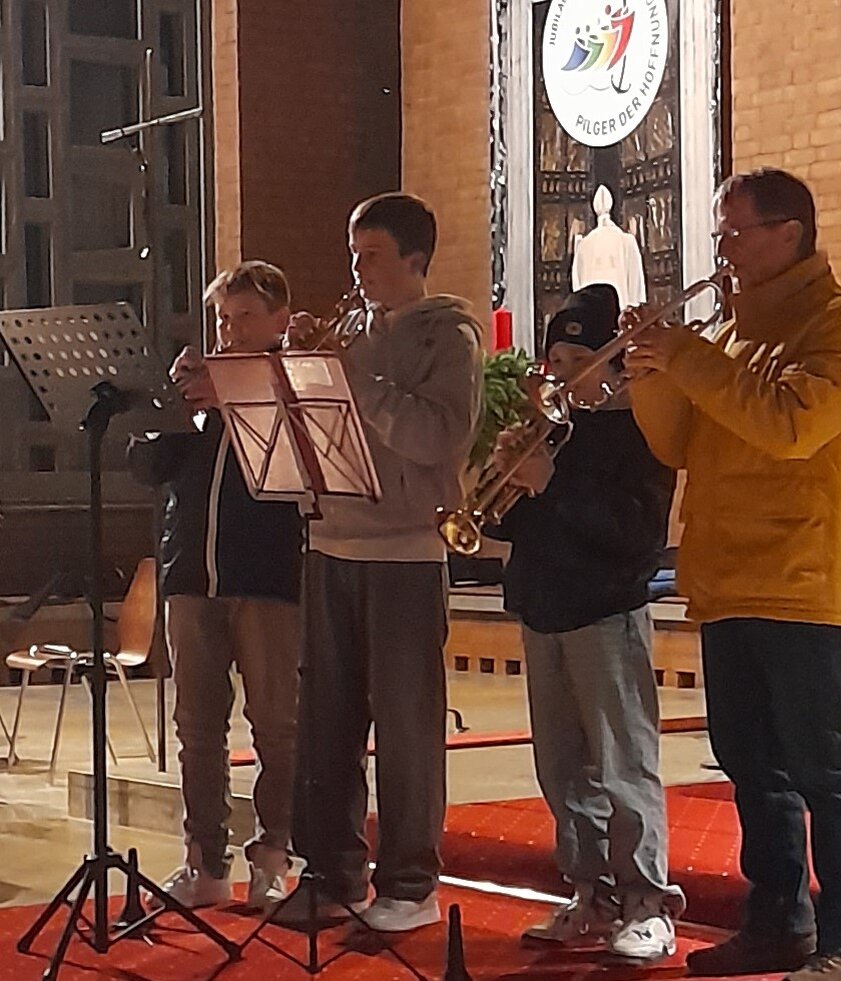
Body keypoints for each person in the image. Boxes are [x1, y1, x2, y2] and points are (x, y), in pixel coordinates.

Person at [624, 168, 841, 981]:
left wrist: (690, 359)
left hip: (802, 572)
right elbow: (679, 444)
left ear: (791, 233)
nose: (724, 251)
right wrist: (650, 374)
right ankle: (778, 920)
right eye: (721, 235)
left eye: (737, 234)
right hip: (729, 573)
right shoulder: (731, 335)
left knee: (820, 763)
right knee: (749, 763)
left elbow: (789, 424)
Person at [285, 192, 483, 931]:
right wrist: (302, 369)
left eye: (370, 255)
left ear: (414, 260)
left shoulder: (450, 336)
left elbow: (437, 435)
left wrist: (354, 377)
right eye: (352, 253)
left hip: (403, 548)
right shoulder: (352, 333)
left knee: (404, 723)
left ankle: (409, 881)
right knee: (327, 720)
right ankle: (331, 869)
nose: (356, 269)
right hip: (330, 537)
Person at [488, 284, 684, 961]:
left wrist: (552, 483)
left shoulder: (641, 428)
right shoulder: (553, 428)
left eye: (578, 359)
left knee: (622, 763)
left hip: (606, 609)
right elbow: (503, 523)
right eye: (557, 359)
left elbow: (635, 533)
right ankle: (588, 890)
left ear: (613, 362)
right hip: (544, 606)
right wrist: (506, 470)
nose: (563, 373)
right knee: (562, 766)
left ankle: (646, 901)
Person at [127, 260, 303, 910]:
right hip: (190, 573)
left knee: (275, 726)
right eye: (223, 319)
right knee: (197, 727)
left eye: (245, 318)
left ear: (279, 320)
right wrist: (167, 405)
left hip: (265, 574)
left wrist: (241, 398)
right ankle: (204, 861)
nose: (229, 332)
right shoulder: (198, 388)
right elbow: (148, 467)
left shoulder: (295, 381)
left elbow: (295, 471)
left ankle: (273, 856)